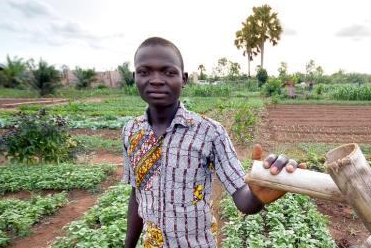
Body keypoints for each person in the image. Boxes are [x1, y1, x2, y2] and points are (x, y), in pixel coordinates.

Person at [122, 37, 304, 248]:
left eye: (168, 72)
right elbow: (137, 194)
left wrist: (257, 195)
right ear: (134, 77)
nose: (156, 79)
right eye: (145, 72)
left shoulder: (210, 132)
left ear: (184, 79)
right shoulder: (131, 132)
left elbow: (242, 197)